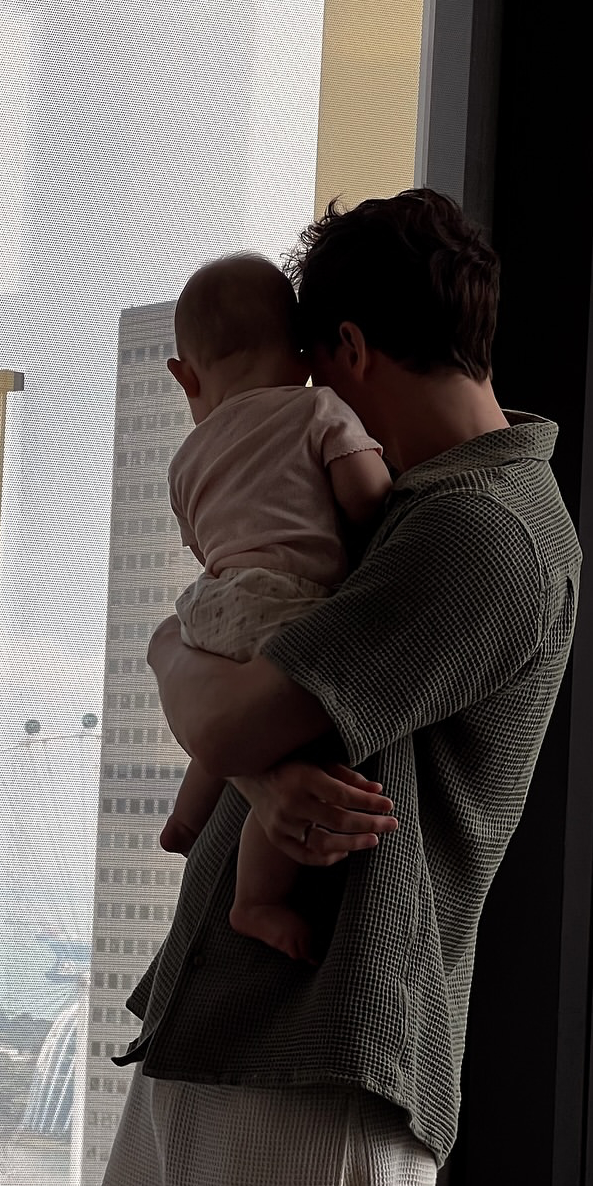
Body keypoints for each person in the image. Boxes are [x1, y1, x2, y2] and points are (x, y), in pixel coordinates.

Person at [78, 187, 580, 1186]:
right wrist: (234, 730)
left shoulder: (475, 532)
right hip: (227, 1027)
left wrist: (176, 650)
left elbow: (234, 708)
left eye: (309, 361)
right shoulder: (394, 515)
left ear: (347, 350)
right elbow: (258, 722)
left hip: (327, 1051)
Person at [161, 252, 393, 960]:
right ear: (305, 354)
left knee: (221, 712)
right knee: (298, 740)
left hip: (210, 604)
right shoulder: (319, 409)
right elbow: (367, 498)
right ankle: (256, 900)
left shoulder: (187, 458)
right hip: (289, 602)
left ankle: (185, 819)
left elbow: (204, 544)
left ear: (186, 377)